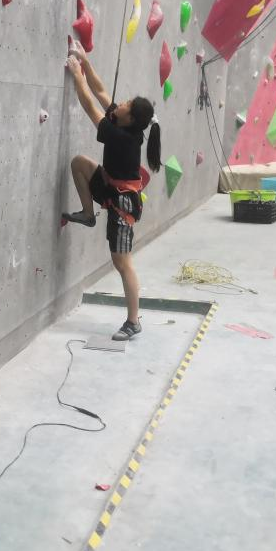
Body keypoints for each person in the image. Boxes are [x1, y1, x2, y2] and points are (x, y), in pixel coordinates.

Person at [61, 37, 161, 341]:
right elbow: (102, 91)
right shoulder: (126, 123)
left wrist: (76, 74)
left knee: (122, 262)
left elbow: (90, 105)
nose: (122, 104)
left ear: (130, 119)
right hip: (111, 187)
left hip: (122, 204)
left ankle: (133, 321)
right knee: (80, 163)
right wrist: (84, 59)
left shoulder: (122, 136)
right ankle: (88, 213)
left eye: (127, 105)